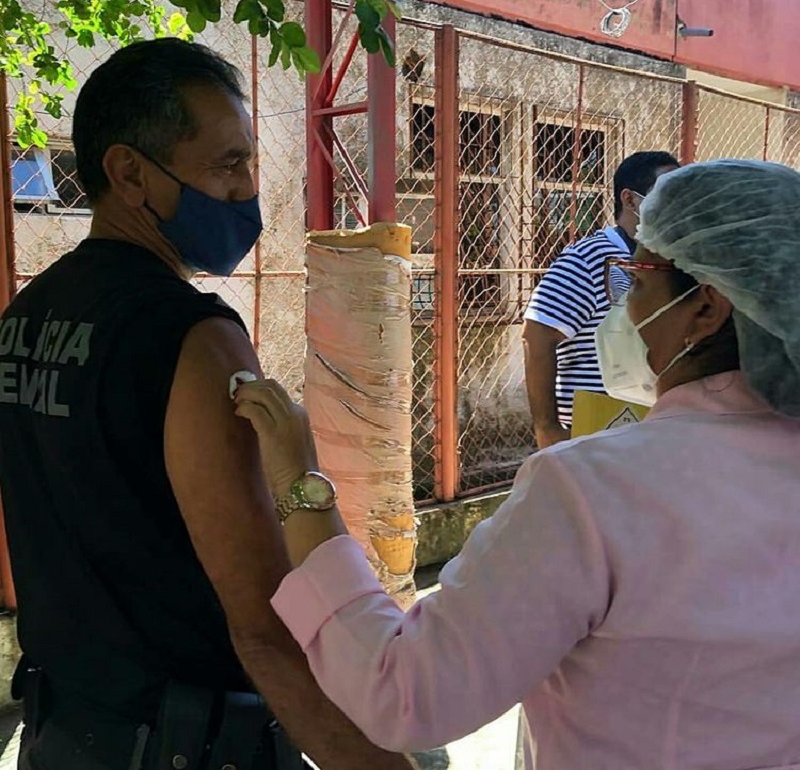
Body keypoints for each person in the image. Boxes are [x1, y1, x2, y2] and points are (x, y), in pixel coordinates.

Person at [235, 159, 800, 769]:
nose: (624, 310)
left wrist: (299, 485)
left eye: (637, 283)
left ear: (706, 309)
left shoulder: (596, 489)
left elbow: (407, 693)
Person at [0, 38, 414, 770]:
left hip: (62, 732)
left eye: (248, 162)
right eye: (227, 166)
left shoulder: (26, 318)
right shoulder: (195, 340)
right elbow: (263, 625)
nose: (249, 189)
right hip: (187, 742)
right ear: (129, 172)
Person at [522, 150, 679, 448]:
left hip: (652, 425)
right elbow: (537, 336)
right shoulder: (589, 258)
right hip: (597, 426)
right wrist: (548, 429)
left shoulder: (674, 259)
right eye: (665, 194)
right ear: (630, 200)